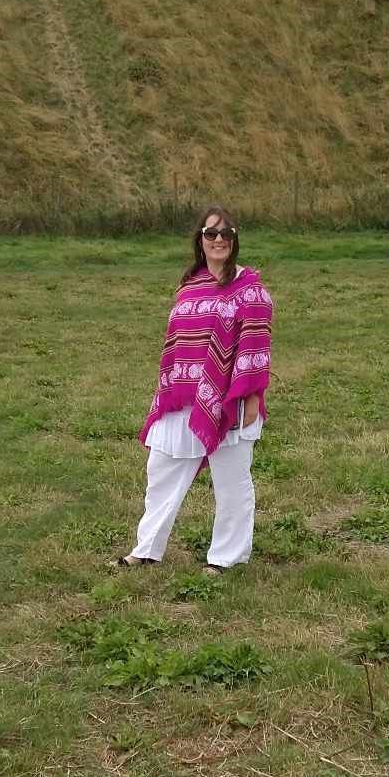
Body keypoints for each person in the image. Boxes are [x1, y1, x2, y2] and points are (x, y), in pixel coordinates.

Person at [119, 208, 273, 574]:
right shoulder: (190, 284)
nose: (218, 239)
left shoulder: (250, 289)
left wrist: (250, 396)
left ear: (234, 240)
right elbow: (177, 342)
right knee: (161, 470)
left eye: (226, 233)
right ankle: (146, 550)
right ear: (200, 239)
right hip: (182, 395)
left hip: (228, 398)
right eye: (210, 233)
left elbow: (255, 345)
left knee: (231, 481)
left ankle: (226, 558)